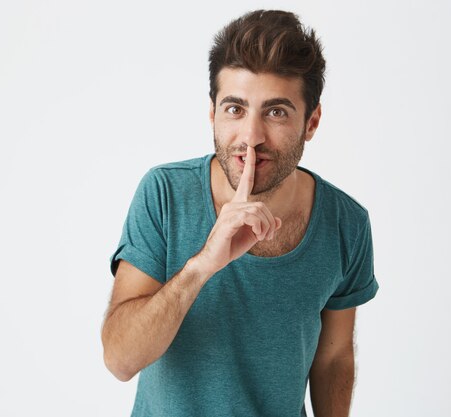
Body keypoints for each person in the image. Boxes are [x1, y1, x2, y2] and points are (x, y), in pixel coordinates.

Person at [101, 9, 379, 417]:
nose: (251, 137)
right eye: (235, 109)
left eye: (276, 112)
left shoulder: (346, 223)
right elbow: (120, 359)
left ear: (312, 122)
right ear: (212, 112)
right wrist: (202, 266)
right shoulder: (164, 194)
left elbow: (334, 358)